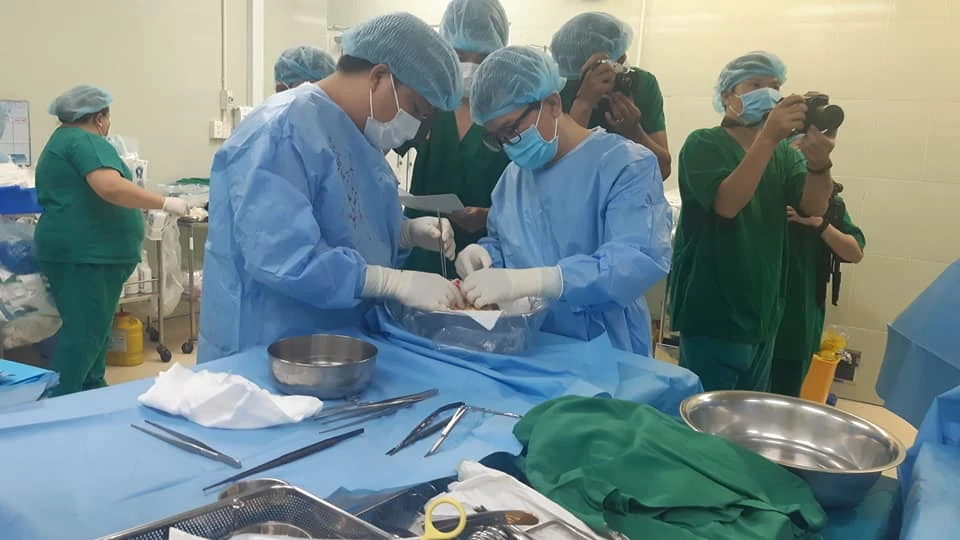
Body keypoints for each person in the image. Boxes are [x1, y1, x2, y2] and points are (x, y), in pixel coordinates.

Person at [199, 13, 464, 363]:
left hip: (339, 343)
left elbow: (350, 226)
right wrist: (392, 282)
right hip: (267, 346)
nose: (417, 129)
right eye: (417, 109)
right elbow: (283, 256)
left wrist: (404, 233)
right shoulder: (279, 131)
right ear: (378, 77)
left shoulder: (359, 138)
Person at [456, 46, 672, 356]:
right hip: (531, 347)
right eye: (497, 138)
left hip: (605, 350)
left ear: (553, 104)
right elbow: (508, 245)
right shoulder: (513, 178)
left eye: (512, 129)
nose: (508, 145)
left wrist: (546, 279)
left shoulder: (626, 165)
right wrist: (485, 256)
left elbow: (632, 262)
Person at [669, 51, 836, 392]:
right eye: (756, 84)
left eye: (775, 86)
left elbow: (814, 206)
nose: (770, 94)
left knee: (747, 417)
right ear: (726, 96)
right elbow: (727, 204)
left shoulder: (784, 154)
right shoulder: (703, 144)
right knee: (705, 417)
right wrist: (769, 138)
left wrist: (820, 164)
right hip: (713, 313)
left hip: (763, 317)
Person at [33, 85, 189, 396]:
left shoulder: (64, 140)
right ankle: (58, 400)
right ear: (100, 118)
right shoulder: (83, 141)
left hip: (85, 253)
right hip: (86, 255)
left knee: (96, 329)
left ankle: (92, 390)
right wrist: (164, 202)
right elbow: (111, 188)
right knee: (85, 334)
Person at [401, 0, 511, 278]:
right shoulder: (427, 102)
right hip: (423, 250)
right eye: (459, 55)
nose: (469, 67)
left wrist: (489, 217)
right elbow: (375, 152)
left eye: (482, 58)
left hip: (487, 256)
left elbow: (535, 198)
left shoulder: (511, 115)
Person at [551, 12, 671, 179]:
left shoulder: (639, 84)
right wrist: (584, 103)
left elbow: (663, 169)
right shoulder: (557, 90)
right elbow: (557, 172)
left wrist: (634, 132)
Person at [771, 189, 865, 397]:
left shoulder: (830, 205)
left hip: (797, 325)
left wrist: (820, 224)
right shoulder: (764, 192)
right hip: (751, 324)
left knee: (785, 397)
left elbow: (855, 252)